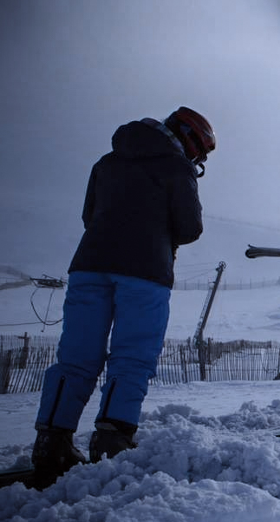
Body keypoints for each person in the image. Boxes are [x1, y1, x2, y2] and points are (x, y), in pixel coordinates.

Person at [31, 106, 216, 489]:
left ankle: (52, 442)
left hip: (88, 266)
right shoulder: (176, 166)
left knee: (76, 357)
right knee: (132, 357)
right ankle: (112, 440)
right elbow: (189, 228)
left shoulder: (108, 161)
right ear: (192, 141)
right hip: (145, 272)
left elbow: (90, 216)